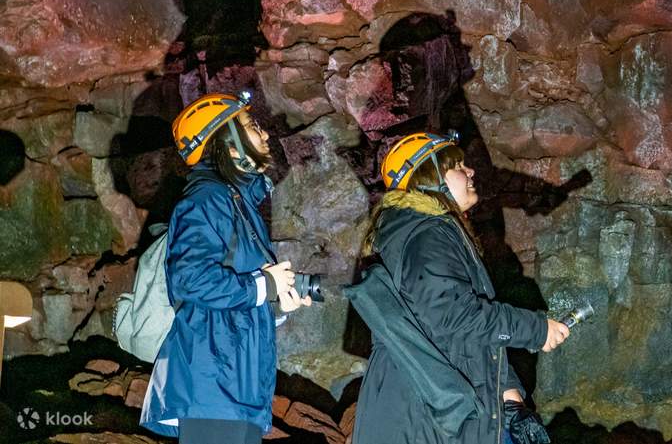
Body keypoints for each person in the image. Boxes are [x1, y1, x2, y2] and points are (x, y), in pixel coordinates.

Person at [348, 131, 568, 444]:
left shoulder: (425, 229)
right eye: (459, 166)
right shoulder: (425, 234)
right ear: (429, 178)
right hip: (421, 416)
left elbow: (461, 336)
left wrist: (510, 398)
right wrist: (535, 329)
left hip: (437, 408)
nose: (471, 172)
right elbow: (455, 316)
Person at [140, 91, 310, 443]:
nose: (264, 135)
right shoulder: (207, 199)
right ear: (225, 143)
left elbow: (232, 297)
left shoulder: (238, 201)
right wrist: (262, 286)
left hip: (236, 387)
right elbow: (190, 279)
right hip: (213, 386)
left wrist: (275, 303)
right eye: (252, 126)